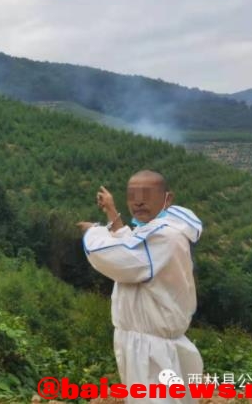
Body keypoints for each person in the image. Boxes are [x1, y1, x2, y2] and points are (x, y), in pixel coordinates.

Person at [77, 170, 203, 404]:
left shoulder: (164, 237)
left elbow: (116, 256)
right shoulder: (161, 230)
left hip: (150, 350)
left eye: (147, 194)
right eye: (132, 195)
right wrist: (112, 213)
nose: (139, 200)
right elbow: (133, 244)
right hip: (150, 342)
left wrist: (94, 231)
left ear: (168, 198)